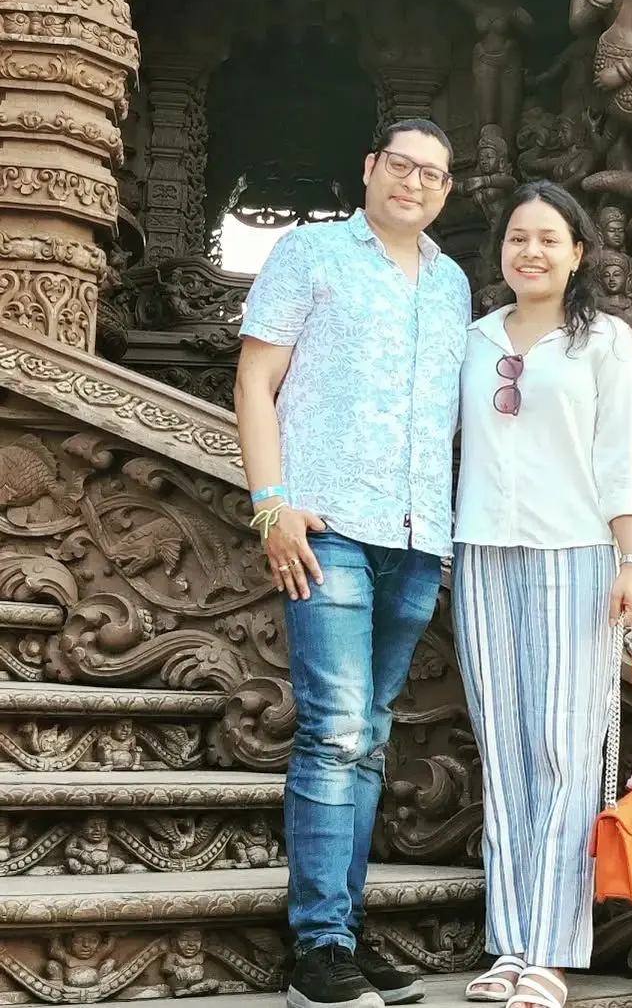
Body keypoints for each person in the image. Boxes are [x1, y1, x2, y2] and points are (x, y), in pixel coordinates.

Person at [234, 119, 472, 1008]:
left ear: (446, 191)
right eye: (400, 165)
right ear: (370, 169)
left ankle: (342, 929)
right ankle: (318, 948)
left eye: (433, 175)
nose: (414, 183)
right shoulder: (311, 254)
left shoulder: (452, 285)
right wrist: (270, 505)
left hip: (417, 537)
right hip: (326, 523)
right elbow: (255, 380)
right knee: (335, 729)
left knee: (368, 738)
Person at [452, 180, 632, 1008]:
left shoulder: (604, 341)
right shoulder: (470, 339)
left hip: (578, 556)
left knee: (564, 754)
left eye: (548, 239)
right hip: (482, 554)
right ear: (501, 251)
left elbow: (621, 452)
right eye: (517, 238)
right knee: (503, 755)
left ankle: (549, 954)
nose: (530, 251)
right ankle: (508, 947)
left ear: (577, 253)